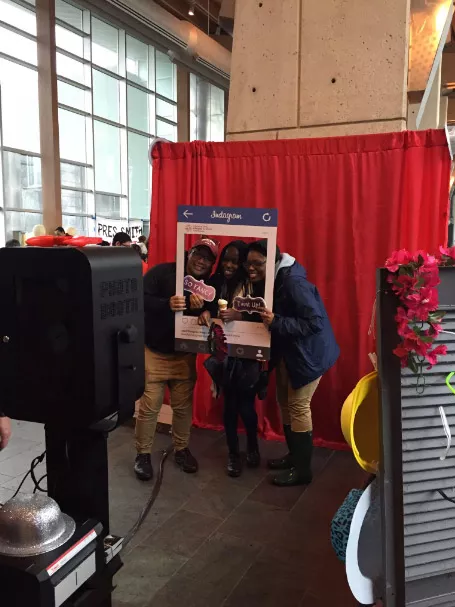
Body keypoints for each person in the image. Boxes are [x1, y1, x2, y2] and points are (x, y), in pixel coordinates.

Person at [246, 240, 339, 487]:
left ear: (273, 261)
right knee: (285, 404)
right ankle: (294, 456)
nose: (251, 268)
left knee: (298, 406)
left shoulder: (292, 282)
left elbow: (315, 322)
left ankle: (302, 470)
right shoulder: (273, 281)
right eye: (249, 263)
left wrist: (276, 320)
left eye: (257, 263)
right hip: (291, 353)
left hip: (308, 355)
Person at [134, 237, 219, 481]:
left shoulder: (209, 286)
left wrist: (206, 311)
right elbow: (139, 298)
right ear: (188, 253)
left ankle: (181, 449)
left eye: (207, 258)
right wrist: (166, 303)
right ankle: (142, 454)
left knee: (183, 408)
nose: (201, 261)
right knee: (149, 407)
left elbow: (218, 308)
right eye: (198, 255)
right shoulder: (162, 272)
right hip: (154, 353)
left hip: (183, 356)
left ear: (212, 264)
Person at [199, 241, 264, 477]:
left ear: (243, 264)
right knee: (229, 406)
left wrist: (240, 313)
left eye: (234, 261)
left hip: (246, 354)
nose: (228, 264)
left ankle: (253, 448)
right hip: (222, 353)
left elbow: (264, 316)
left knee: (246, 406)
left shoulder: (254, 285)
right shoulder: (216, 283)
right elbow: (203, 305)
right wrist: (204, 311)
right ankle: (233, 454)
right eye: (226, 258)